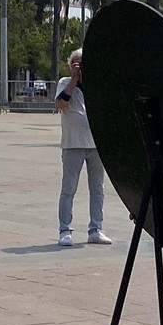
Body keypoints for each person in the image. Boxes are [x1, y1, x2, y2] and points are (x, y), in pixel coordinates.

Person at [55, 49, 110, 247]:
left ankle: (96, 229)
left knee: (97, 189)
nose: (79, 69)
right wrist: (73, 80)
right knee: (68, 189)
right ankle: (65, 230)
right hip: (73, 144)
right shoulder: (64, 83)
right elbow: (61, 104)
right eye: (76, 65)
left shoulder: (96, 86)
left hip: (95, 145)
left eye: (82, 65)